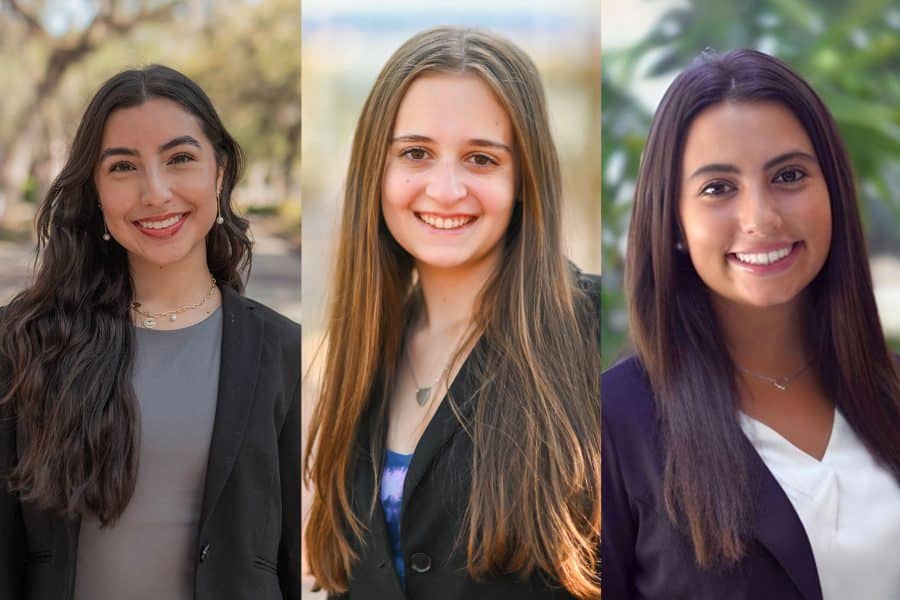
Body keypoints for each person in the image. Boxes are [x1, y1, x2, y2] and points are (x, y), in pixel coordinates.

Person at [303, 26, 601, 600]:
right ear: (376, 170)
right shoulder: (365, 347)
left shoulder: (599, 337)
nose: (444, 189)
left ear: (523, 180)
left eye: (481, 159)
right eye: (416, 153)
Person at [601, 49, 900, 599]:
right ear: (674, 221)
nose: (761, 217)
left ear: (832, 190)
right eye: (718, 188)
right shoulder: (610, 426)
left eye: (789, 175)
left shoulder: (892, 389)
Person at [0, 65, 300, 600]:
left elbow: (293, 555)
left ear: (220, 172)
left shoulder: (282, 352)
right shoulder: (24, 341)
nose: (156, 192)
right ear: (94, 188)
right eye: (123, 167)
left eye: (180, 158)